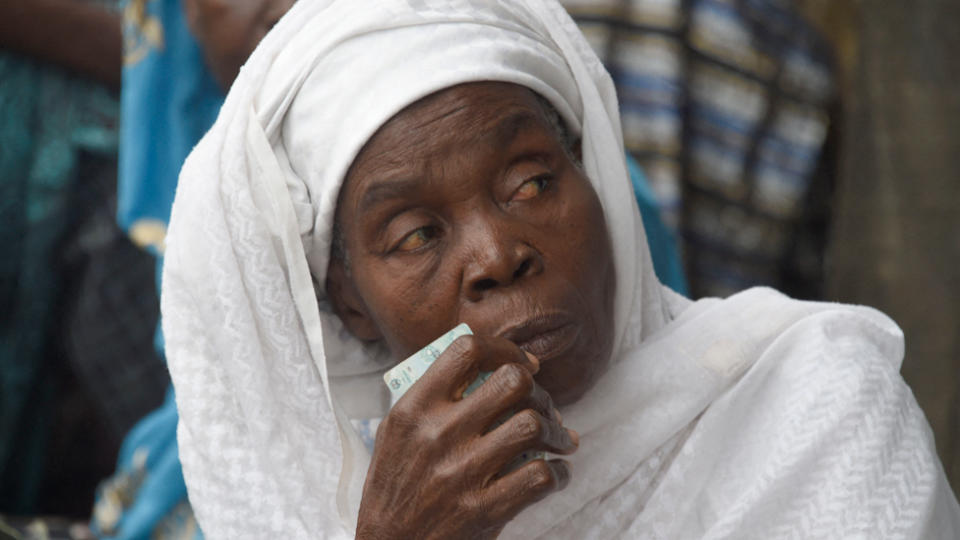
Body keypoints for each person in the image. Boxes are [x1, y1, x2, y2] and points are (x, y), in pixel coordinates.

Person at [163, 1, 960, 538]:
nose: (497, 255)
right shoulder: (338, 504)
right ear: (351, 304)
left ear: (600, 181)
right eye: (415, 235)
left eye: (533, 182)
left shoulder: (811, 408)